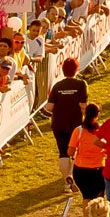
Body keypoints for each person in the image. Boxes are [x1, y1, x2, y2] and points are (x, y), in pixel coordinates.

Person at [45, 58, 88, 193]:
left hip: (58, 124)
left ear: (63, 70)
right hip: (75, 124)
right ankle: (72, 177)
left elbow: (49, 107)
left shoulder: (57, 86)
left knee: (63, 152)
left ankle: (66, 182)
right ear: (77, 69)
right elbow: (83, 106)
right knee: (75, 151)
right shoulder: (81, 84)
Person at [69, 102, 105, 213]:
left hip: (81, 170)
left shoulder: (78, 130)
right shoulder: (102, 130)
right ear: (97, 114)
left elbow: (70, 151)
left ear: (85, 113)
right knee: (99, 199)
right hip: (99, 170)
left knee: (87, 197)